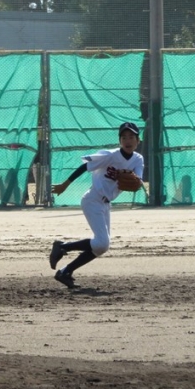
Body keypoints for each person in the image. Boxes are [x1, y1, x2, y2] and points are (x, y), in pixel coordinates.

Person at [48, 122, 143, 288]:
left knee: (101, 247)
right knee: (101, 243)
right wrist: (65, 184)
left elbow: (138, 181)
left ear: (138, 141)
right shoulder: (110, 155)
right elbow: (85, 166)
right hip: (93, 199)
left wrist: (136, 182)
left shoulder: (138, 159)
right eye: (124, 137)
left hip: (106, 204)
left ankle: (65, 272)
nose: (128, 140)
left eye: (131, 137)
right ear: (120, 141)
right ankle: (62, 247)